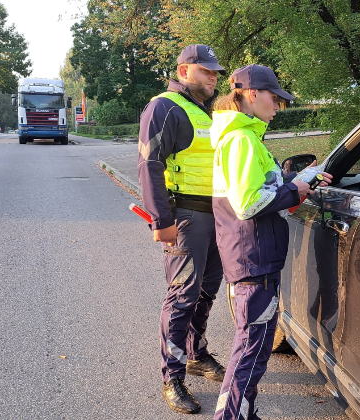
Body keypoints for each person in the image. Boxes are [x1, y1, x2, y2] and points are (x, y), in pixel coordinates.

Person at [210, 64, 331, 420]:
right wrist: (296, 188)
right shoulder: (241, 139)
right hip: (254, 258)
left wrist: (299, 178)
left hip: (251, 255)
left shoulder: (241, 135)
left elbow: (261, 187)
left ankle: (241, 413)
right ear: (251, 95)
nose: (278, 107)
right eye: (274, 99)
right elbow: (248, 204)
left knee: (253, 348)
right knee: (250, 350)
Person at [137, 44, 228, 415]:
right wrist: (162, 221)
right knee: (182, 297)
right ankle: (172, 377)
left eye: (216, 72)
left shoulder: (205, 112)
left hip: (218, 218)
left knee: (206, 292)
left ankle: (196, 354)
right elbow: (149, 163)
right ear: (184, 70)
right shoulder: (164, 106)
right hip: (187, 219)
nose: (213, 76)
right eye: (206, 70)